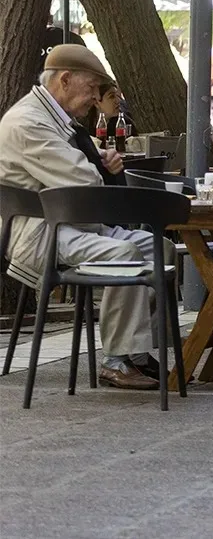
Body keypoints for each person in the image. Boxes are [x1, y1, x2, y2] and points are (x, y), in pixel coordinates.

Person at [0, 45, 168, 389]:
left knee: (158, 247)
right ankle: (115, 360)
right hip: (38, 235)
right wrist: (98, 162)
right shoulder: (26, 123)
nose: (96, 98)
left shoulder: (51, 116)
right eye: (91, 88)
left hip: (73, 223)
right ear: (65, 79)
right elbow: (84, 180)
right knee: (126, 254)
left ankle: (135, 353)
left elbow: (81, 151)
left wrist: (99, 152)